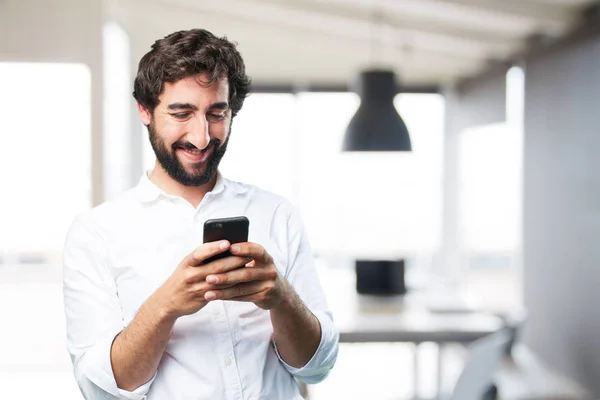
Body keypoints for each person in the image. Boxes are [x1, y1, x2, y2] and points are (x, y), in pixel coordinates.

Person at [62, 28, 339, 400]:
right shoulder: (96, 234)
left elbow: (317, 368)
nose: (202, 136)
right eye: (181, 113)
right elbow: (103, 389)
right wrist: (167, 305)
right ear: (145, 110)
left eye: (216, 113)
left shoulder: (277, 214)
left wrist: (281, 298)